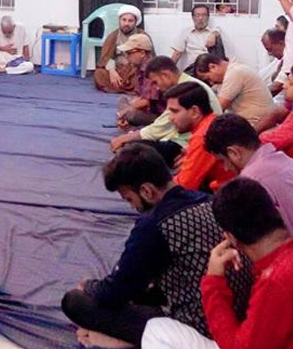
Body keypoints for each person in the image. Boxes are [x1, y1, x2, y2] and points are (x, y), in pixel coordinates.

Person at [62, 143, 251, 349]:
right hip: (238, 313)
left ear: (147, 191)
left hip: (202, 326)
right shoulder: (209, 201)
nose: (132, 207)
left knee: (75, 301)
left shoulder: (155, 224)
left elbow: (114, 292)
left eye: (130, 199)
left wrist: (89, 286)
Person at [141, 177, 293, 349]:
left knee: (157, 330)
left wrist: (213, 282)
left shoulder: (278, 280)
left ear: (230, 237)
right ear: (277, 212)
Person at [204, 114, 293, 251]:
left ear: (234, 153)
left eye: (222, 161)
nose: (226, 168)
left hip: (291, 256)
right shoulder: (286, 161)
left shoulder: (250, 181)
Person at [110, 57, 221, 166]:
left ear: (165, 75)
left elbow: (160, 127)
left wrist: (125, 138)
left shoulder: (188, 89)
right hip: (185, 141)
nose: (156, 88)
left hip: (187, 145)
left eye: (155, 82)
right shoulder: (186, 85)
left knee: (132, 150)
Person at [165, 82, 235, 192]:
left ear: (195, 111)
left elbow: (183, 187)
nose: (170, 118)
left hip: (226, 194)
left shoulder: (202, 137)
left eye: (175, 111)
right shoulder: (211, 122)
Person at [193, 54, 273, 128]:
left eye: (208, 79)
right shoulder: (232, 71)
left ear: (213, 67)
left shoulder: (235, 73)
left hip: (255, 124)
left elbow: (218, 109)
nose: (211, 83)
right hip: (249, 123)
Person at [94, 5, 155, 93]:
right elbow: (106, 58)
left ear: (135, 22)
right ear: (119, 20)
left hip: (135, 70)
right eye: (124, 20)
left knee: (142, 76)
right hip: (118, 70)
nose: (126, 23)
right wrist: (112, 71)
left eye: (130, 21)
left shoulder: (143, 36)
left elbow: (150, 57)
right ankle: (127, 87)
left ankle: (123, 87)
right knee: (99, 74)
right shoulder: (113, 36)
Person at [115, 33, 159, 128]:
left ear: (142, 53)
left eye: (129, 53)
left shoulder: (152, 70)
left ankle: (128, 118)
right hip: (145, 108)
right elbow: (139, 95)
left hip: (157, 113)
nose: (127, 57)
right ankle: (127, 118)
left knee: (131, 114)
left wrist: (125, 111)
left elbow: (147, 101)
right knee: (122, 100)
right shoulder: (140, 68)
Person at [171, 5, 225, 74]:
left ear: (208, 17)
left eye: (204, 15)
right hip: (192, 69)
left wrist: (214, 33)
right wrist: (168, 70)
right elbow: (177, 54)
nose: (200, 18)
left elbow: (218, 30)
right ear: (193, 18)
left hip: (209, 70)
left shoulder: (213, 33)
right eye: (197, 15)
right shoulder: (186, 32)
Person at [258, 29, 285, 98]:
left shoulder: (292, 57)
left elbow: (277, 86)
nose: (270, 53)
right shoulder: (283, 59)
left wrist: (254, 96)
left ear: (281, 43)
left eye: (270, 49)